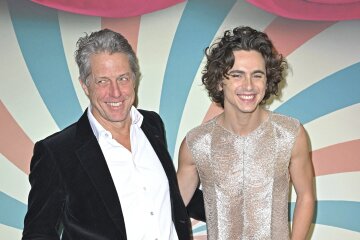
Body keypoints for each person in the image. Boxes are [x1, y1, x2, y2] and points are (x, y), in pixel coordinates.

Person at [22, 28, 195, 240]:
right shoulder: (57, 152)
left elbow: (167, 197)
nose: (115, 92)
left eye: (123, 78)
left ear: (135, 78)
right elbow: (38, 233)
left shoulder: (152, 125)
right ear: (85, 85)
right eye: (102, 81)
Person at [177, 26, 315, 240]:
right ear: (220, 81)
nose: (249, 86)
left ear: (267, 79)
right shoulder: (197, 143)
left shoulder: (290, 134)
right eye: (237, 75)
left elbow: (306, 196)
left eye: (257, 75)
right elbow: (172, 210)